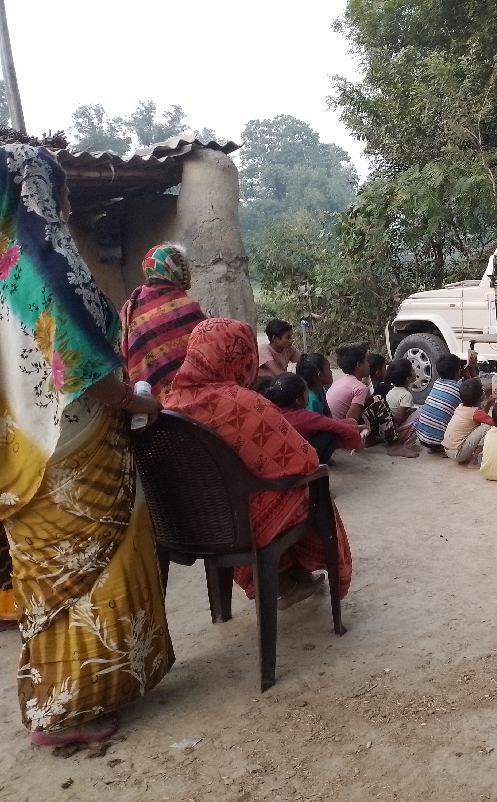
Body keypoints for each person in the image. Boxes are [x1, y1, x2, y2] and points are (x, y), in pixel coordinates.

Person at [0, 143, 173, 746]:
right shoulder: (47, 270)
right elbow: (84, 370)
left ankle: (58, 699)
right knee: (95, 568)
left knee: (51, 580)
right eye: (61, 186)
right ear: (39, 193)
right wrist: (138, 402)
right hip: (73, 450)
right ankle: (71, 710)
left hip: (20, 457)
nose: (69, 200)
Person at [166, 318, 354, 607]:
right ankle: (286, 578)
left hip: (197, 522)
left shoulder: (169, 405)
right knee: (311, 491)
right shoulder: (242, 403)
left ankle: (287, 577)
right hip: (242, 524)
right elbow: (304, 459)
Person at [118, 243, 206, 396]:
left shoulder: (130, 307)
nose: (188, 271)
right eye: (184, 265)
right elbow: (208, 353)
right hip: (191, 398)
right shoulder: (186, 307)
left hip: (146, 399)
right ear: (174, 268)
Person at [328, 344, 414, 458]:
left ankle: (370, 438)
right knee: (379, 402)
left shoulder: (344, 381)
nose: (369, 364)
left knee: (375, 400)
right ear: (359, 365)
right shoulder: (359, 388)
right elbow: (351, 418)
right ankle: (394, 444)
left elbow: (367, 403)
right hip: (341, 433)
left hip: (334, 429)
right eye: (366, 361)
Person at [260, 372, 366, 464]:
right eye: (306, 392)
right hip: (297, 460)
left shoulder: (268, 411)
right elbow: (338, 427)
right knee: (330, 432)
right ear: (299, 401)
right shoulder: (304, 416)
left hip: (273, 457)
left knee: (348, 423)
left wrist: (354, 426)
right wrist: (358, 444)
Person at [414, 353, 476, 452]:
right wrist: (471, 373)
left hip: (422, 438)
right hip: (440, 441)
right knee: (471, 414)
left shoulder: (437, 383)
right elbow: (479, 395)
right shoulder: (460, 389)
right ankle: (444, 447)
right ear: (458, 372)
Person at [442, 378, 495, 465]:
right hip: (458, 453)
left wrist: (488, 404)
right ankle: (473, 461)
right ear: (481, 396)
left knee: (480, 427)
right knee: (486, 428)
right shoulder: (475, 412)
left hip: (448, 450)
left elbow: (481, 416)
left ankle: (467, 455)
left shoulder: (460, 407)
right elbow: (495, 423)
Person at [385, 358, 423, 449]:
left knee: (416, 410)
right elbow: (399, 418)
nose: (415, 371)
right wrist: (411, 412)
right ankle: (407, 444)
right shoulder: (406, 395)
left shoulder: (391, 391)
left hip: (388, 431)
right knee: (421, 413)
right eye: (412, 370)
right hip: (396, 432)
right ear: (408, 378)